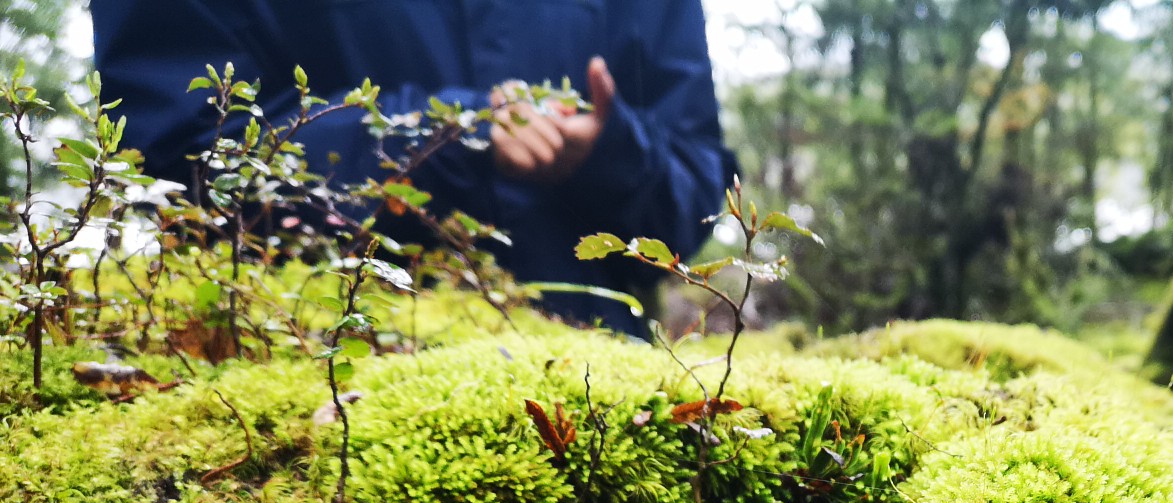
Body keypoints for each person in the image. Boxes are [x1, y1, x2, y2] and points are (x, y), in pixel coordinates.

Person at [89, 0, 735, 335]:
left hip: (597, 386)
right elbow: (185, 155)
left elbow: (696, 189)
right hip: (315, 380)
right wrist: (446, 137)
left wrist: (608, 151)